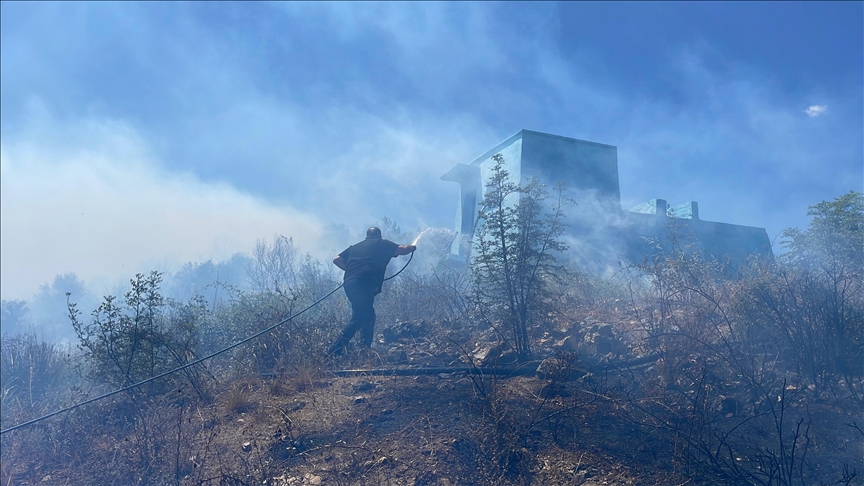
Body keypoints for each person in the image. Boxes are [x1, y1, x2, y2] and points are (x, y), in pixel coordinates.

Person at [327, 227, 416, 356]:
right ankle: (335, 350)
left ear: (367, 236)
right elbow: (402, 249)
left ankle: (363, 350)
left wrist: (352, 271)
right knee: (360, 316)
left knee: (366, 315)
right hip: (363, 284)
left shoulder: (354, 247)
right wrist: (412, 247)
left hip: (350, 284)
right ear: (379, 236)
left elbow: (337, 259)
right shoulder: (381, 243)